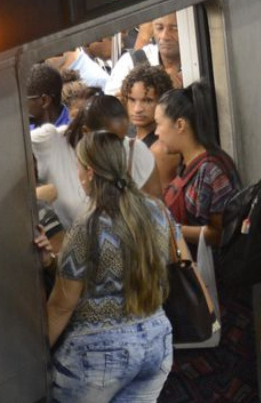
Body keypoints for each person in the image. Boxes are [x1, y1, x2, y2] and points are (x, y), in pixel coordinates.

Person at [40, 131, 174, 402]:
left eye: (78, 167)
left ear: (89, 172)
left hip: (99, 351)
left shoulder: (87, 226)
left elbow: (61, 305)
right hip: (156, 338)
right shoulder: (156, 210)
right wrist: (51, 261)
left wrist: (35, 356)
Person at [155, 81, 256, 401]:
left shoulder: (211, 169)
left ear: (180, 125)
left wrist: (171, 228)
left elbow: (218, 232)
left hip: (219, 295)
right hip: (201, 290)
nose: (156, 133)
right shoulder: (189, 166)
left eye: (160, 124)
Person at [35, 93, 158, 228]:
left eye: (121, 141)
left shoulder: (136, 152)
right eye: (110, 141)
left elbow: (158, 215)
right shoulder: (50, 142)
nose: (117, 148)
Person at [122, 63, 180, 193]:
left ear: (162, 101)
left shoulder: (161, 148)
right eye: (132, 100)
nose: (137, 109)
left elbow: (161, 203)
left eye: (147, 101)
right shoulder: (133, 139)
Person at [105, 12, 184, 95]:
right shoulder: (130, 62)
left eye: (174, 28)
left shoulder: (196, 60)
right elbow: (110, 104)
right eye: (159, 28)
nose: (164, 36)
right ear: (152, 29)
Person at [27, 62, 71, 130]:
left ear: (45, 101)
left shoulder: (71, 132)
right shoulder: (26, 128)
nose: (20, 106)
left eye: (23, 101)